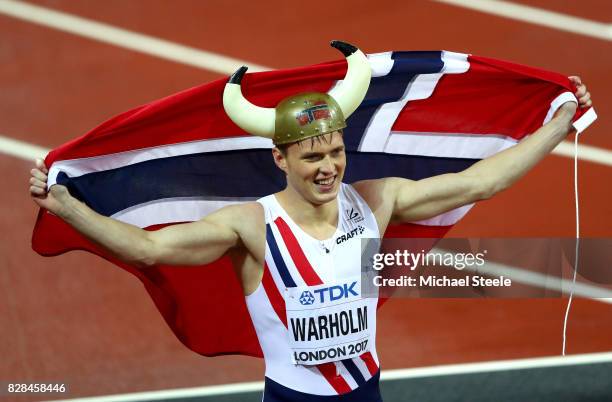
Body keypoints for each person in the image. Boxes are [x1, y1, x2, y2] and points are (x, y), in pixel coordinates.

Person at [29, 41, 591, 401]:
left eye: (336, 153)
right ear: (282, 159)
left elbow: (481, 181)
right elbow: (150, 250)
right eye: (313, 157)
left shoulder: (377, 200)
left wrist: (554, 124)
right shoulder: (251, 225)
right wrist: (70, 210)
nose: (328, 168)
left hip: (366, 392)